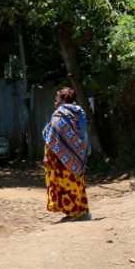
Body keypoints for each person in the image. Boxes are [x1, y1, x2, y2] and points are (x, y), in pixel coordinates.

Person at [42, 87, 91, 222]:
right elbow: (84, 135)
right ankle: (78, 211)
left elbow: (52, 138)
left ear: (63, 99)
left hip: (61, 159)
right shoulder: (79, 112)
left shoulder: (59, 114)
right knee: (76, 184)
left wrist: (48, 156)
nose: (55, 102)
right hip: (76, 155)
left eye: (56, 99)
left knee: (66, 185)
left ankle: (76, 212)